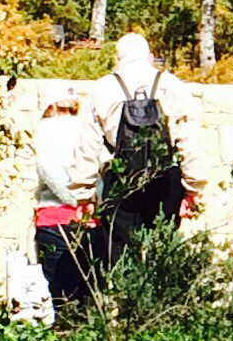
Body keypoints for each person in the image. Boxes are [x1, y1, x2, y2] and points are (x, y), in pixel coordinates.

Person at [69, 32, 210, 265]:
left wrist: (83, 195)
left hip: (121, 178)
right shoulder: (172, 85)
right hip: (165, 178)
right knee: (162, 252)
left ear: (117, 58)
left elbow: (87, 146)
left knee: (120, 254)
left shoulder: (103, 88)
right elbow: (189, 141)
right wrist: (193, 188)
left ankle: (124, 300)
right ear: (150, 56)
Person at [33, 85, 89, 303]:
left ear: (52, 104)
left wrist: (70, 197)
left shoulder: (44, 129)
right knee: (86, 289)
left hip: (52, 216)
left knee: (57, 289)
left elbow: (45, 168)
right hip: (88, 216)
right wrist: (85, 199)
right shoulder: (88, 128)